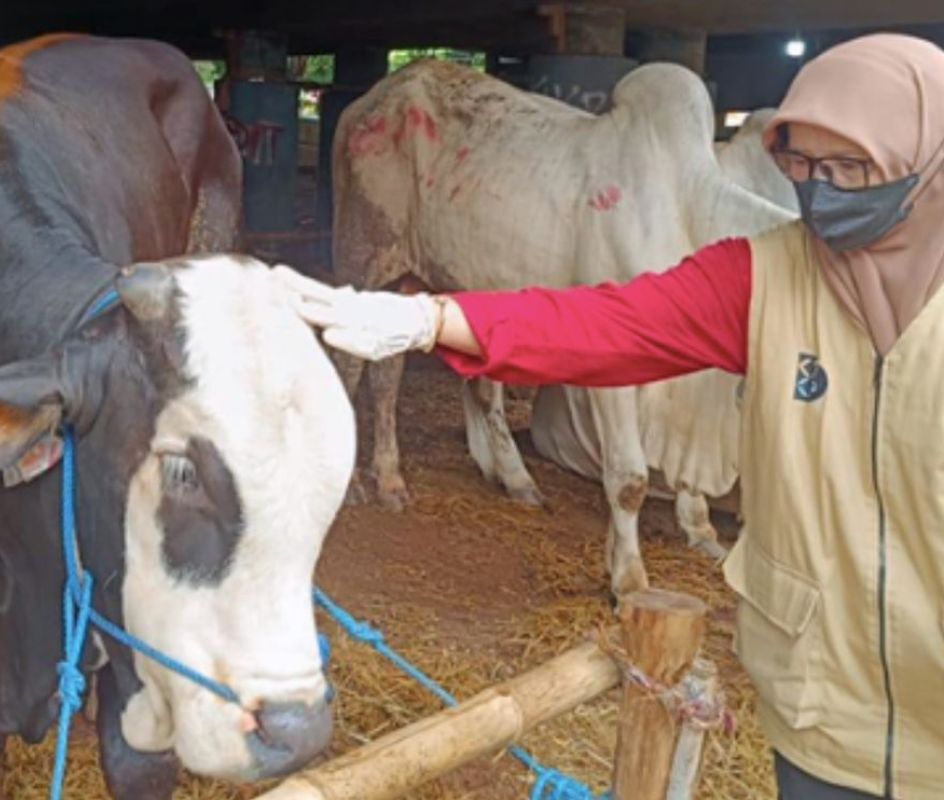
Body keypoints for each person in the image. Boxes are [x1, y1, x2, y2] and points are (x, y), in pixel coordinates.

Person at [277, 33, 944, 800]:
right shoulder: (769, 274)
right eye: (804, 170)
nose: (822, 194)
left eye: (850, 170)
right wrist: (429, 321)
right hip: (817, 714)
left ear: (926, 161)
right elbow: (607, 326)